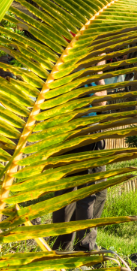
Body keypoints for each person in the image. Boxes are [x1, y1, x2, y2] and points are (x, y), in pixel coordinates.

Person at [52, 72, 108, 252]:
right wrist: (99, 77)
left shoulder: (63, 66)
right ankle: (85, 245)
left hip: (63, 133)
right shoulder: (90, 62)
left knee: (65, 192)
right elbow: (100, 101)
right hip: (86, 132)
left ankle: (61, 246)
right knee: (93, 191)